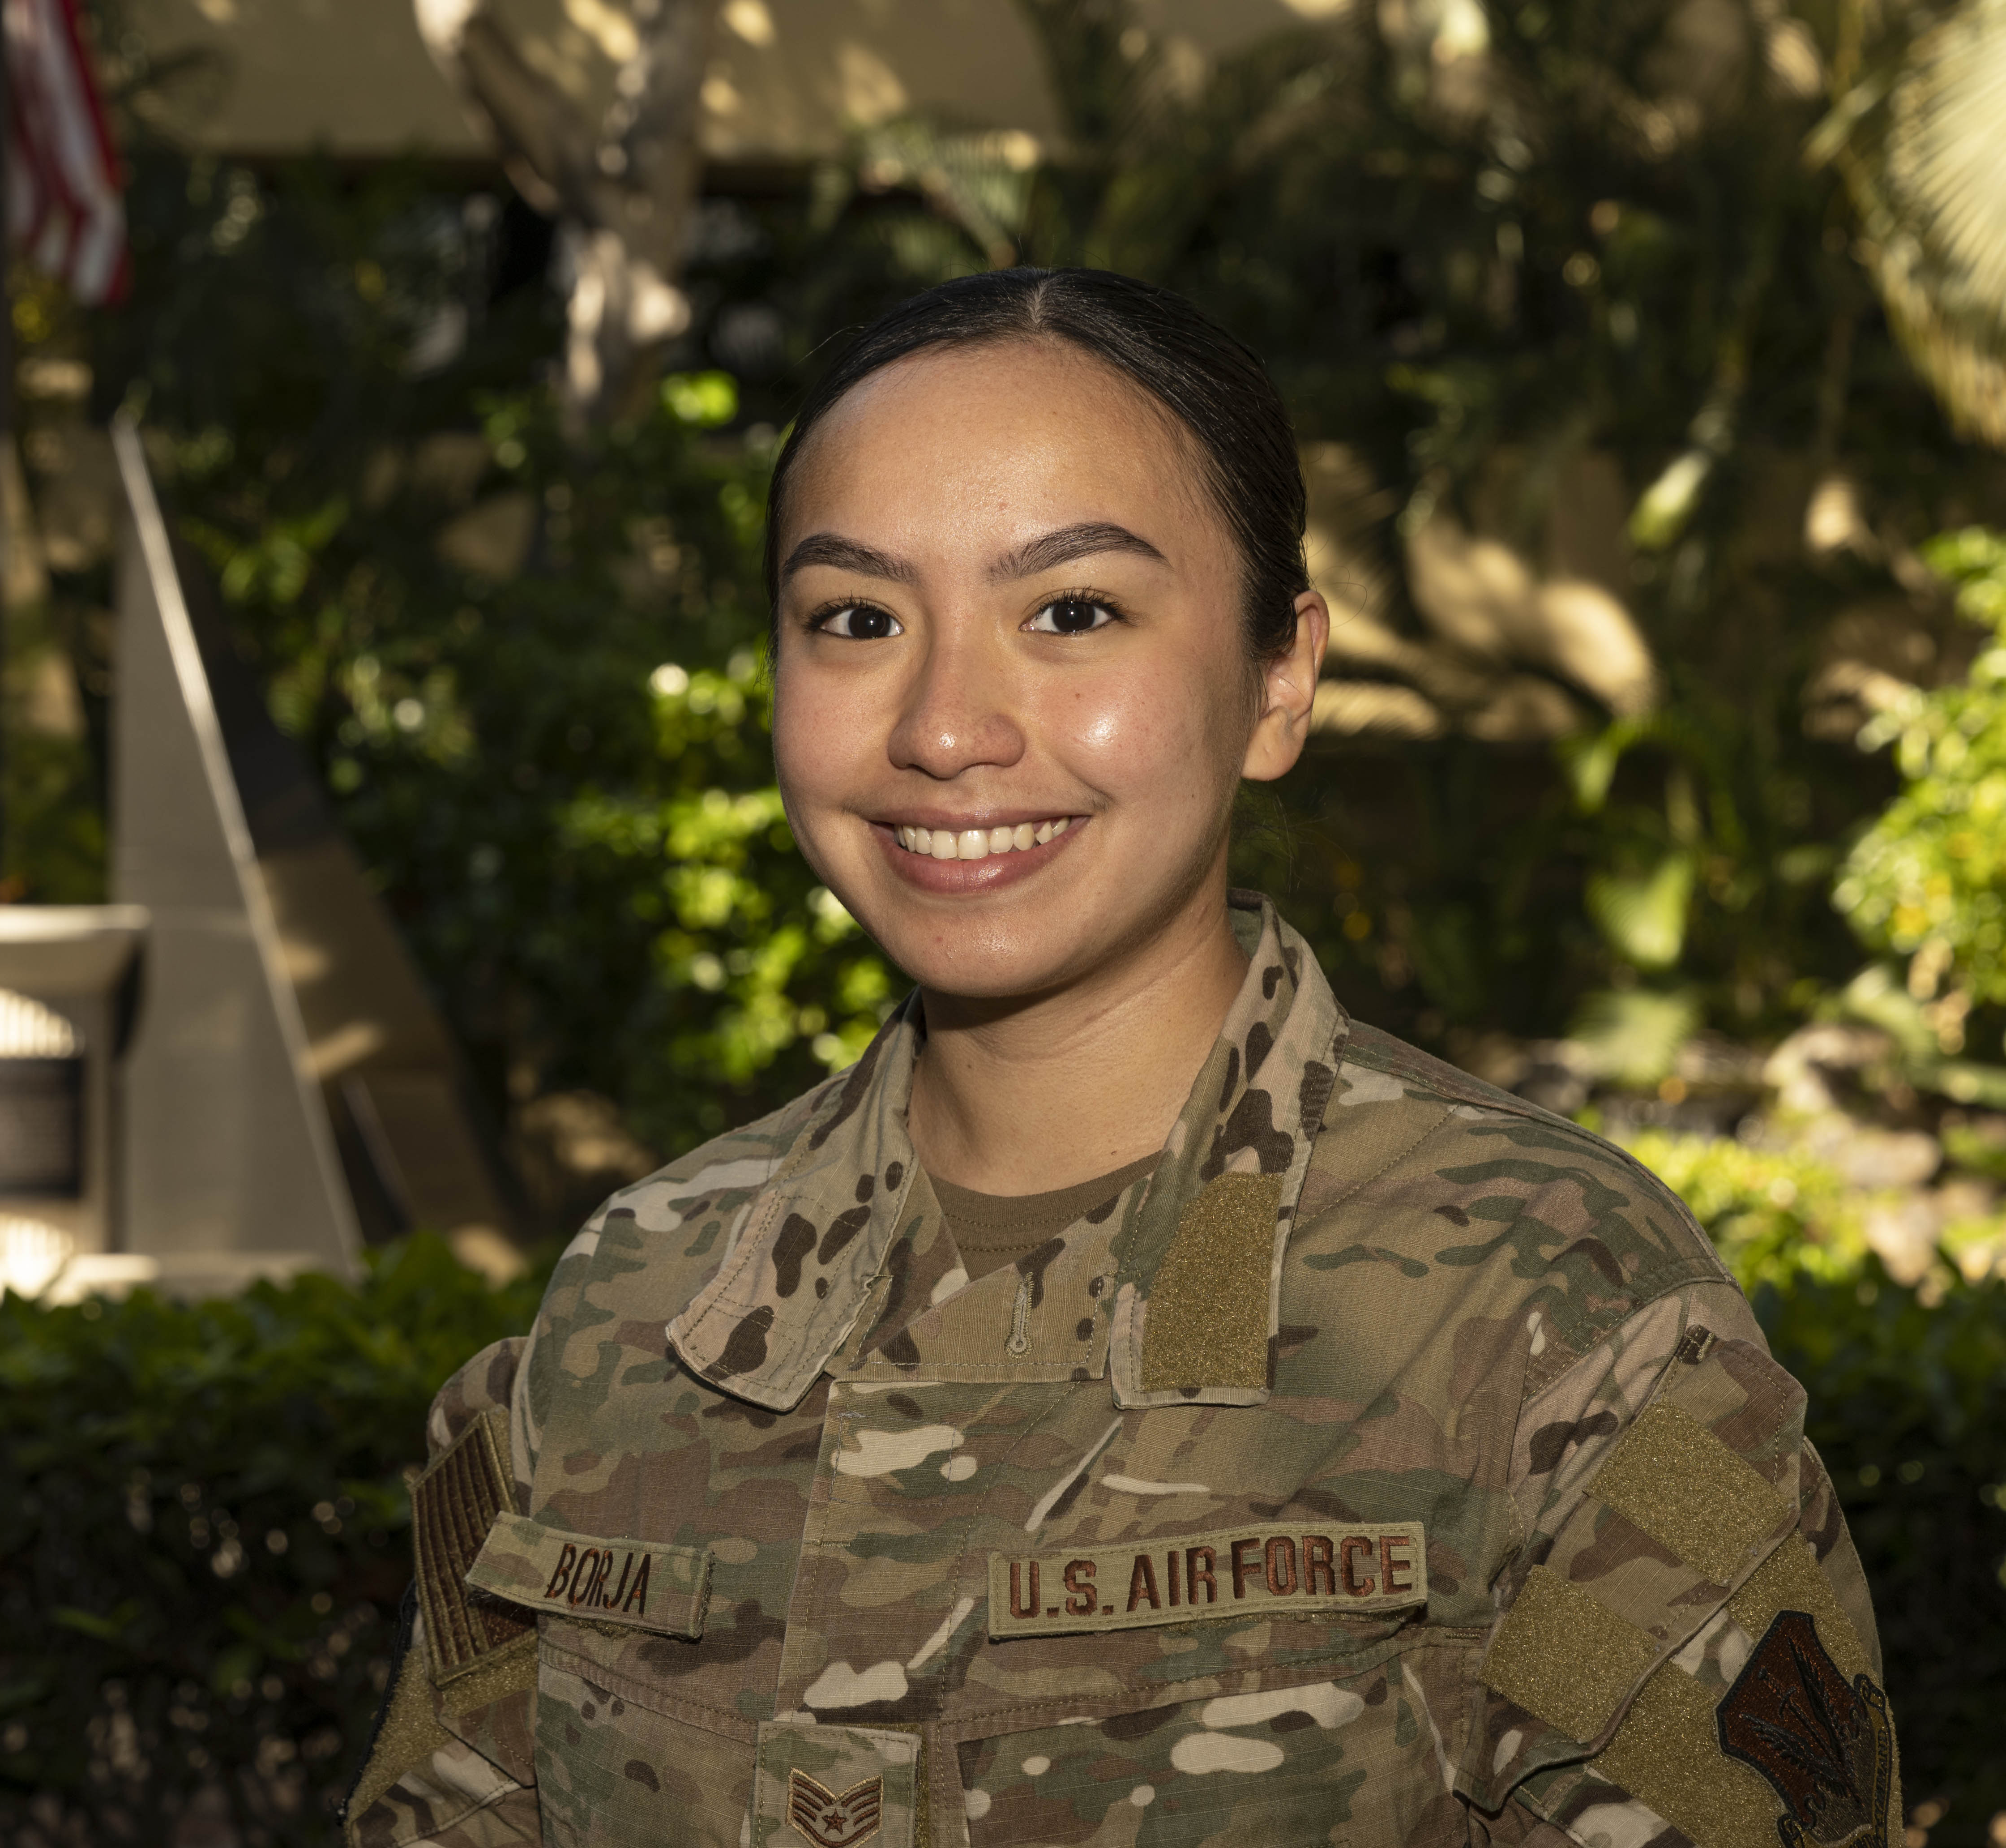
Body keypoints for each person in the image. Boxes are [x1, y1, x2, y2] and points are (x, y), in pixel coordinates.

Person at [342, 268, 1895, 1848]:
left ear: (1278, 676)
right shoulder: (640, 1307)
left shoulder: (1555, 1311)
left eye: (1072, 612)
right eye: (856, 619)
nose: (946, 726)